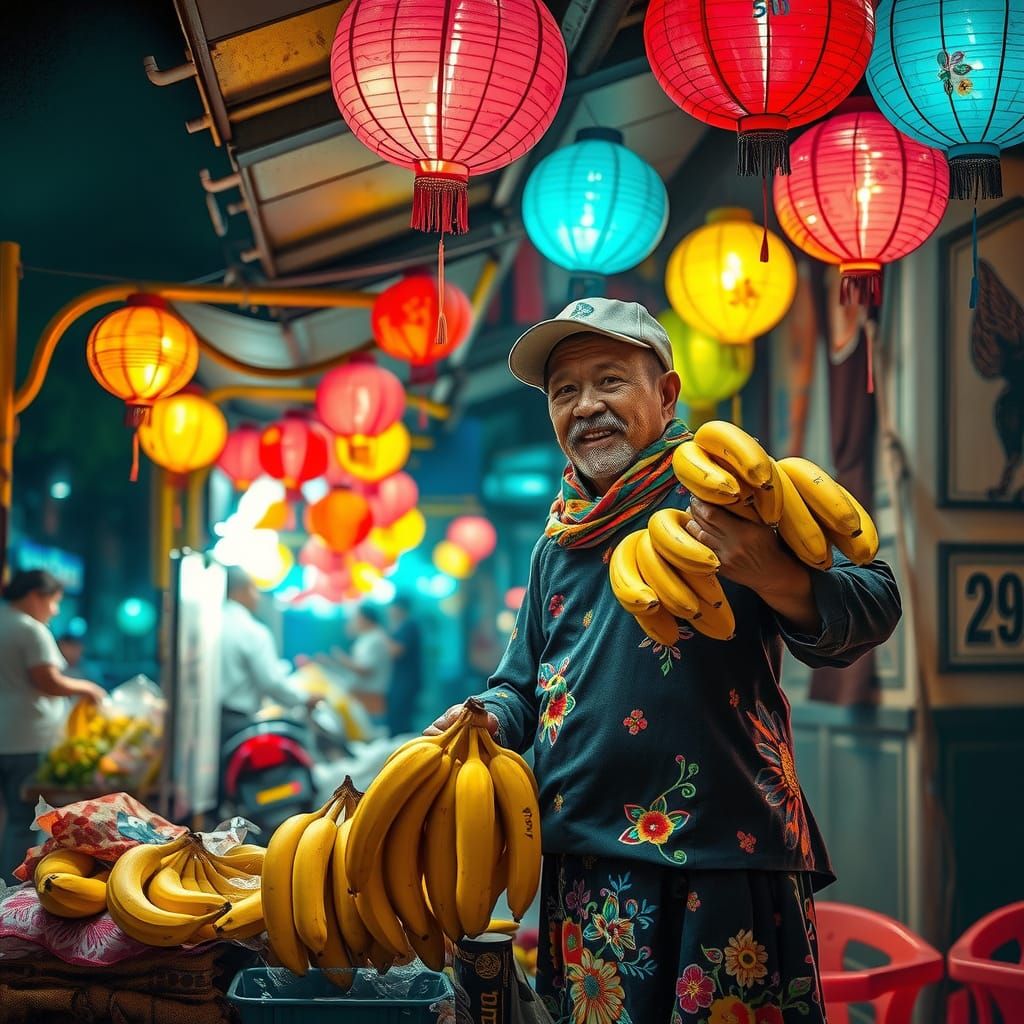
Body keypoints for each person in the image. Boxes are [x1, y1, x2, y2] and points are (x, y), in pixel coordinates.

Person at [427, 298, 902, 1024]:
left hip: (723, 853)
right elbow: (522, 686)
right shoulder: (556, 545)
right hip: (585, 859)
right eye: (564, 392)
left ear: (667, 394)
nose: (586, 407)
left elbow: (877, 601)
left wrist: (768, 569)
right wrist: (484, 716)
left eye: (610, 381)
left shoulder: (730, 495)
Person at [0, 570, 105, 876]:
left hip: (7, 736)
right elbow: (46, 680)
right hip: (26, 738)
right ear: (35, 595)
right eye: (55, 601)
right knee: (23, 821)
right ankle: (10, 893)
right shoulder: (29, 629)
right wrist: (87, 688)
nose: (55, 610)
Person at [220, 566, 309, 744]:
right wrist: (304, 699)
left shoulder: (207, 623)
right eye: (254, 590)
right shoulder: (251, 630)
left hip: (204, 719)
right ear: (240, 591)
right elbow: (271, 682)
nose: (258, 597)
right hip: (236, 723)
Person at [330, 605, 393, 726]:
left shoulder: (375, 639)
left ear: (365, 618)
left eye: (356, 618)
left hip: (371, 699)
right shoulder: (366, 637)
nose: (354, 622)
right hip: (362, 697)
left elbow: (365, 669)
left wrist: (342, 659)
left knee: (372, 738)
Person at [386, 596, 423, 736]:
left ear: (398, 608)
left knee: (400, 719)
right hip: (405, 680)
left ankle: (403, 751)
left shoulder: (408, 625)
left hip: (406, 681)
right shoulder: (406, 625)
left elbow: (397, 651)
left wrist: (386, 637)